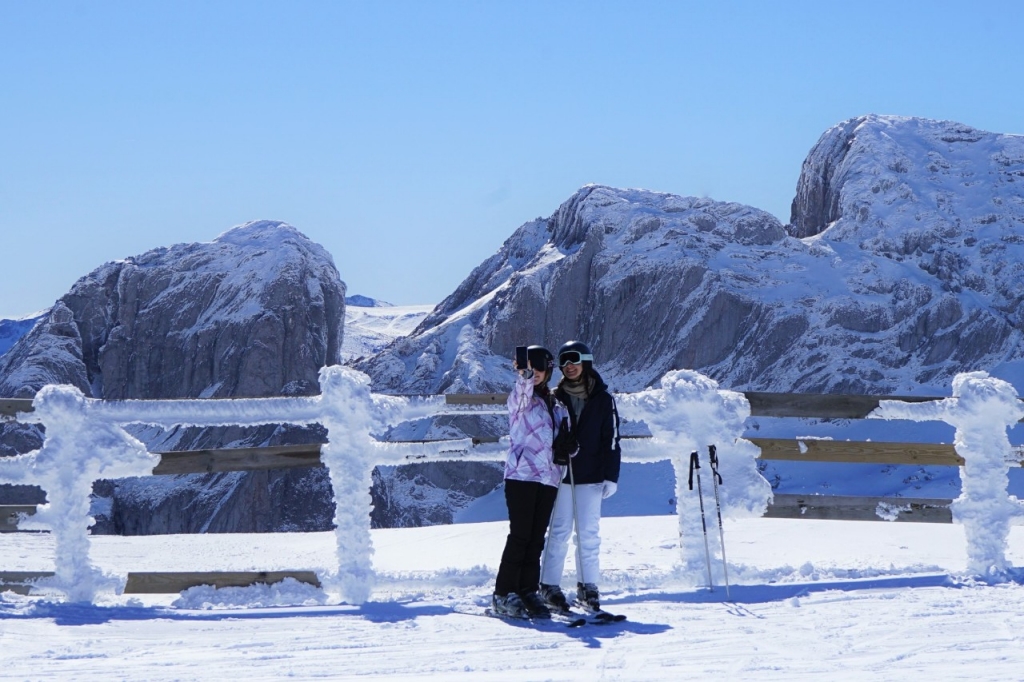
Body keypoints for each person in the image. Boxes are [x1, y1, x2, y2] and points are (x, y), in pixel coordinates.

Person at [539, 340, 621, 613]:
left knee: (588, 532)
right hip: (561, 473)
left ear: (586, 361)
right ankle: (549, 585)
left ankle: (588, 586)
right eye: (564, 362)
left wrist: (611, 475)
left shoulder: (603, 399)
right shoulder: (553, 397)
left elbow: (611, 438)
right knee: (559, 531)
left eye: (574, 360)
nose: (569, 366)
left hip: (592, 474)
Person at [492, 345, 572, 619]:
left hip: (548, 478)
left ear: (549, 371)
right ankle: (503, 593)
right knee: (520, 536)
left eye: (540, 369)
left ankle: (527, 590)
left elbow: (564, 440)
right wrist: (523, 375)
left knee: (536, 538)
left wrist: (570, 446)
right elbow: (522, 391)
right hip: (522, 475)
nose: (535, 374)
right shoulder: (520, 399)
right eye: (531, 368)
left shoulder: (556, 404)